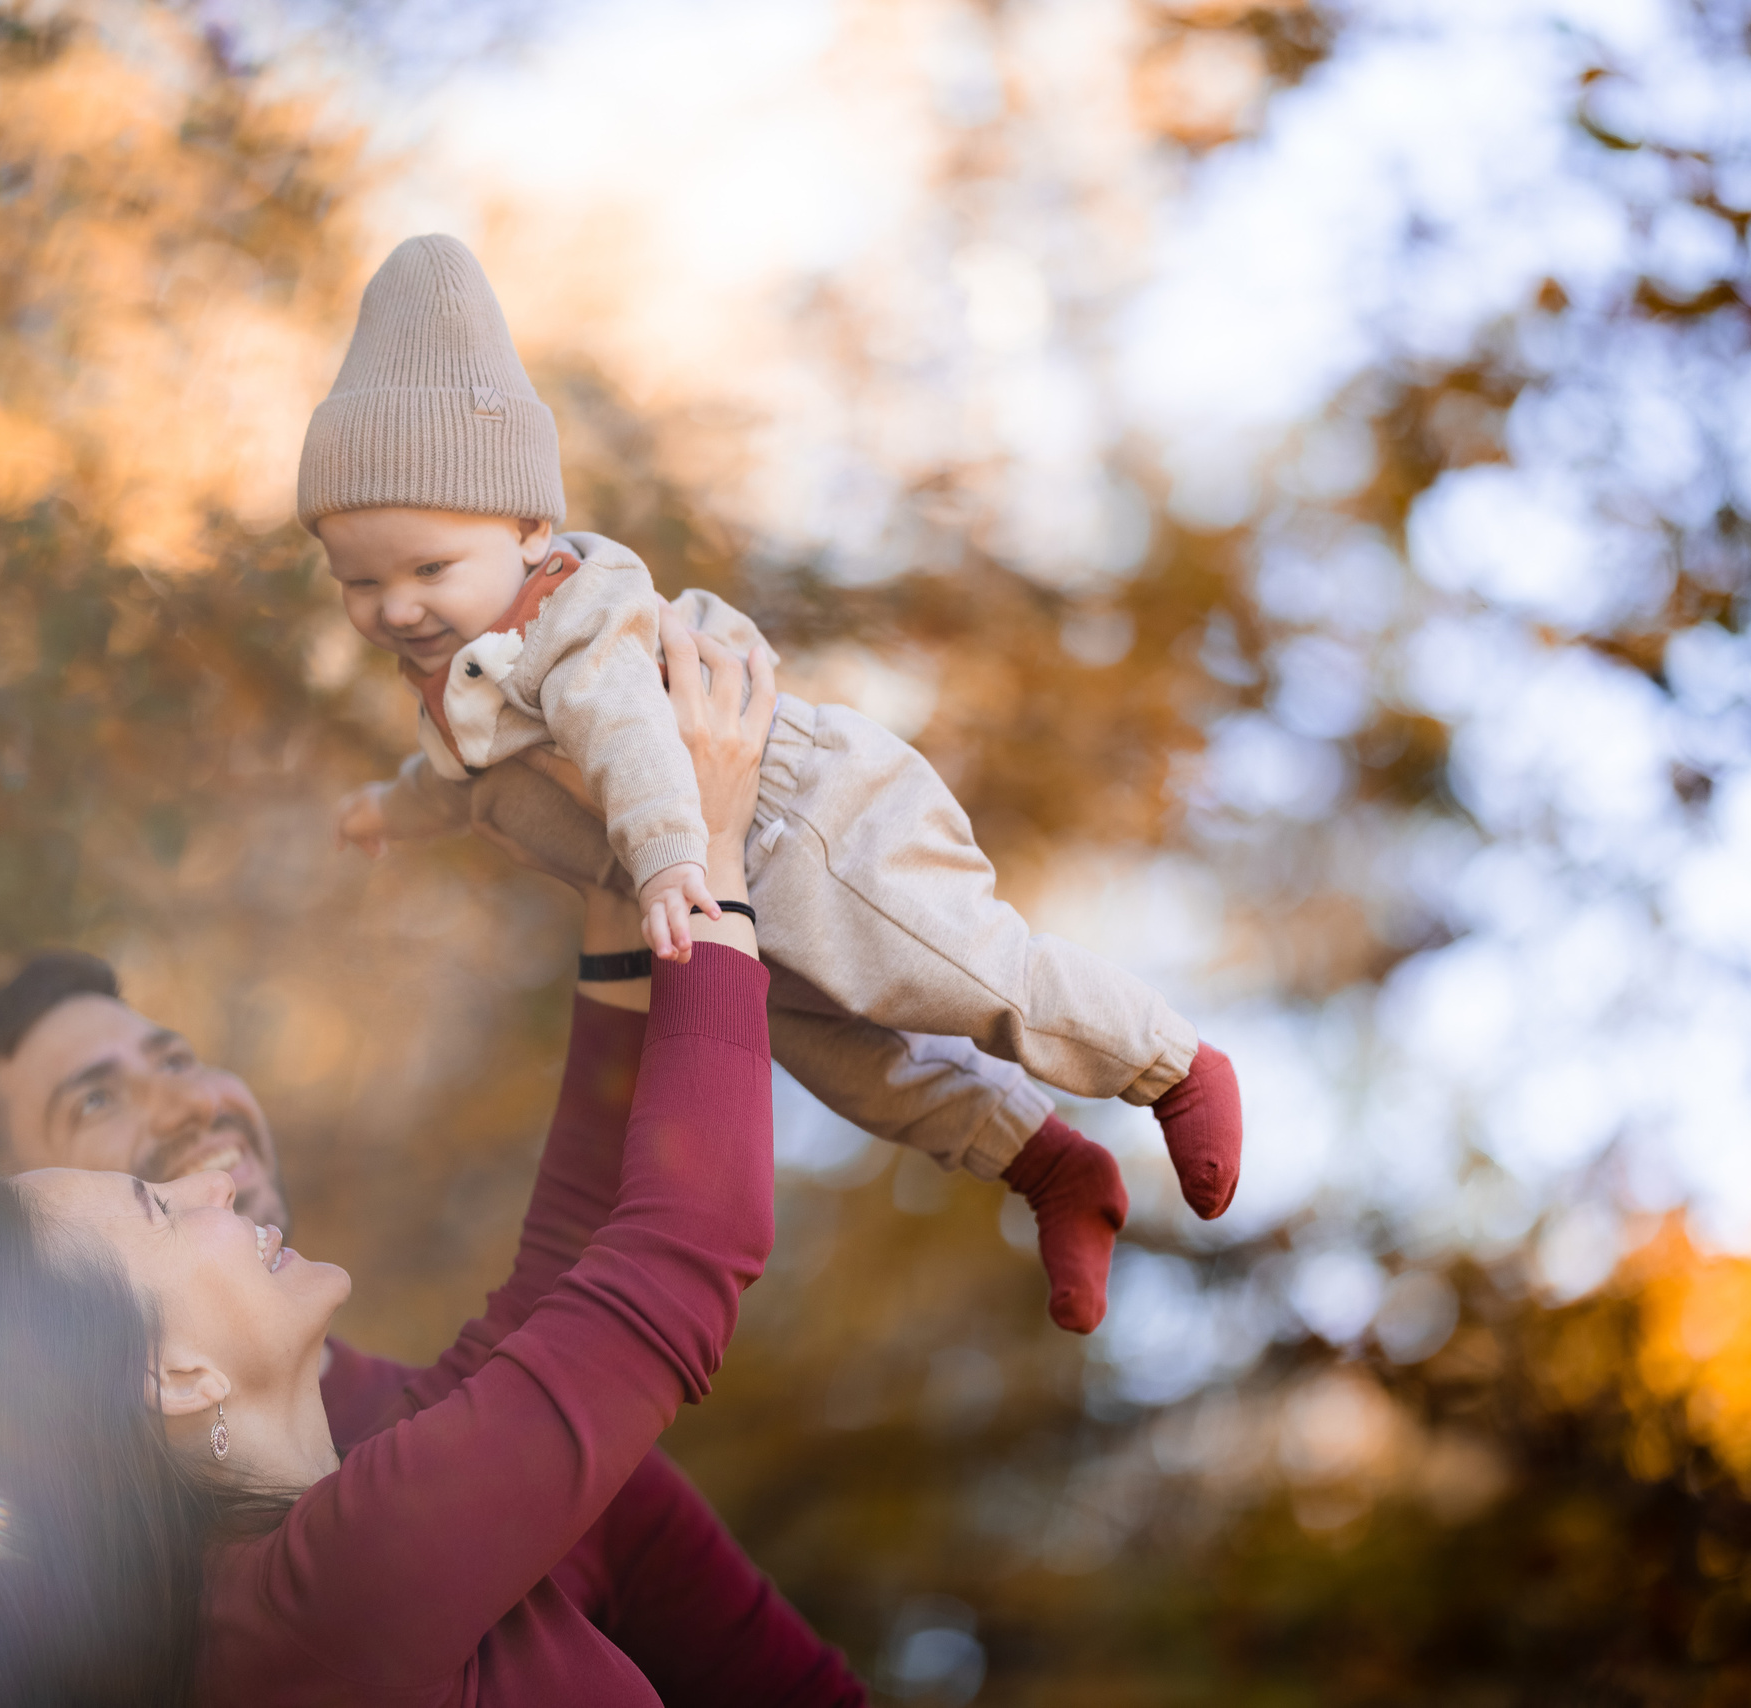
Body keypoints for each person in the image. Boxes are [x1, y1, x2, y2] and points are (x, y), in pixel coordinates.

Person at [0, 614, 867, 1705]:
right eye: (112, 1135)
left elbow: (567, 1279)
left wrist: (628, 867)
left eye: (174, 1054)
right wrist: (703, 860)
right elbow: (676, 1255)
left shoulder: (293, 1549)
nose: (205, 1148)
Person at [309, 233, 1244, 1332]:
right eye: (359, 580)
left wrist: (665, 857)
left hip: (804, 831)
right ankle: (1049, 1168)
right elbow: (461, 780)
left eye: (428, 570)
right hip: (719, 902)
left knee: (962, 972)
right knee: (860, 1073)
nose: (396, 608)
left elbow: (629, 741)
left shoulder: (574, 625)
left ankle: (1170, 1063)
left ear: (528, 532)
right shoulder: (457, 678)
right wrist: (391, 808)